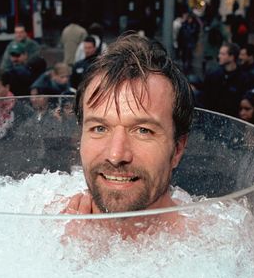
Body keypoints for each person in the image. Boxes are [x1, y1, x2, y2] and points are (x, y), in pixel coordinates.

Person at [62, 33, 194, 237]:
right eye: (99, 128)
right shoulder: (46, 225)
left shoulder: (214, 247)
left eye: (143, 130)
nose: (116, 155)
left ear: (177, 149)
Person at [203, 42, 249, 117]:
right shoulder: (212, 74)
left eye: (223, 54)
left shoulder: (243, 77)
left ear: (232, 57)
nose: (219, 56)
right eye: (219, 53)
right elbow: (206, 97)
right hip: (213, 116)